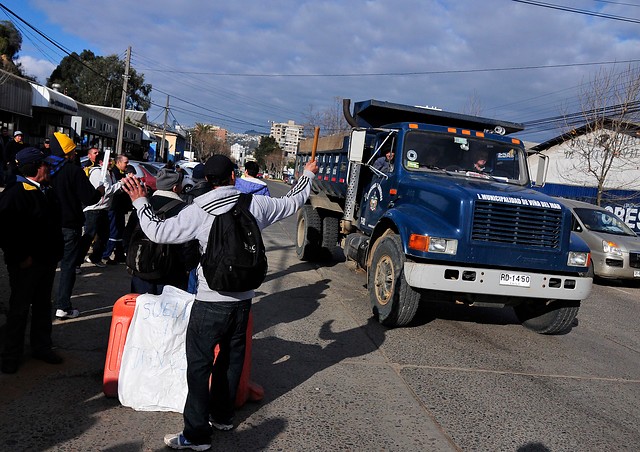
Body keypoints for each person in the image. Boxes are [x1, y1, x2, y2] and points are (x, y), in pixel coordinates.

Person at [121, 155, 318, 451]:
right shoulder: (255, 204)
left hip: (210, 300)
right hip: (243, 301)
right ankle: (223, 416)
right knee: (230, 359)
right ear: (233, 176)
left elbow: (158, 231)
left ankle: (197, 435)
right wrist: (306, 174)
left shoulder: (198, 210)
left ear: (207, 180)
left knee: (199, 366)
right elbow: (292, 202)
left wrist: (139, 201)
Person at [0, 147, 64, 374]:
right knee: (19, 309)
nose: (49, 167)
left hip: (46, 261)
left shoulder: (46, 190)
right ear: (37, 168)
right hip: (26, 264)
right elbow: (6, 231)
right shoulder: (15, 193)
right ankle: (11, 355)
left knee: (42, 306)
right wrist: (21, 258)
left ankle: (41, 347)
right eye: (45, 164)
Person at [48, 132, 103, 320]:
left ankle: (40, 300)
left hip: (47, 224)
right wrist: (99, 191)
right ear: (67, 153)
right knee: (67, 267)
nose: (74, 155)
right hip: (69, 225)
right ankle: (63, 306)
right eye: (72, 151)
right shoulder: (73, 171)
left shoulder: (45, 168)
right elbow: (89, 197)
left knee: (46, 265)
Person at [128, 168, 198, 294]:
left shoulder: (142, 204)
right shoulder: (183, 209)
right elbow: (188, 245)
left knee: (141, 309)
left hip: (141, 269)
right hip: (171, 272)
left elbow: (128, 234)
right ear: (175, 188)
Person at [76, 151, 122, 268]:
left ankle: (95, 257)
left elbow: (113, 190)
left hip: (104, 209)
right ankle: (76, 262)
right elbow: (107, 191)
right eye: (110, 160)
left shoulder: (109, 173)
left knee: (103, 236)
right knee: (89, 236)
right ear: (102, 162)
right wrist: (121, 183)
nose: (112, 162)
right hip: (94, 209)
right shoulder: (97, 172)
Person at [102, 154, 132, 264]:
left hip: (120, 207)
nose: (127, 165)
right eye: (125, 162)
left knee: (120, 231)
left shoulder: (122, 173)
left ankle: (119, 254)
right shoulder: (114, 173)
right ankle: (105, 255)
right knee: (113, 231)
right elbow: (113, 190)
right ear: (118, 163)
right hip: (114, 207)